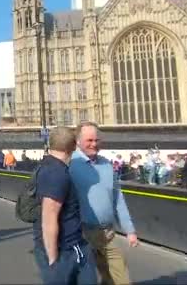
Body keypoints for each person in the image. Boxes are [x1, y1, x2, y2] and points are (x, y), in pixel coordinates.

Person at [70, 122, 138, 285]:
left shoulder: (107, 165)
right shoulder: (70, 165)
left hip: (107, 233)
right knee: (84, 279)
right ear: (78, 141)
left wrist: (130, 230)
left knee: (119, 277)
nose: (94, 144)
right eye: (89, 140)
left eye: (97, 140)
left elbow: (118, 199)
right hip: (82, 233)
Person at [33, 126, 96, 285]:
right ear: (73, 146)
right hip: (65, 250)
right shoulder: (57, 174)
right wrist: (54, 260)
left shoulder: (48, 166)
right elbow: (49, 218)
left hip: (71, 246)